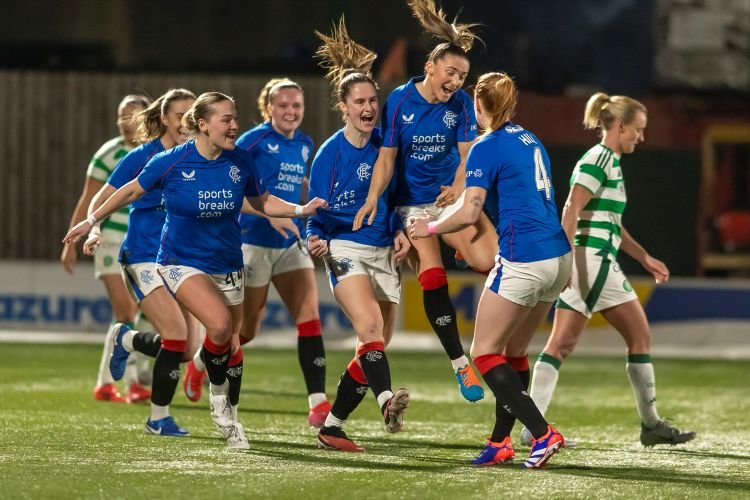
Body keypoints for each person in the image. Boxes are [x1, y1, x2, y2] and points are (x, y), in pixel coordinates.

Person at [63, 91, 327, 449]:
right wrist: (91, 222)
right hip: (177, 262)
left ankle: (222, 404)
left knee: (228, 341)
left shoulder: (241, 161)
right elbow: (127, 190)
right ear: (202, 125)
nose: (234, 125)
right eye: (226, 119)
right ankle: (209, 407)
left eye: (235, 118)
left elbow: (259, 201)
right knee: (214, 327)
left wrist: (299, 210)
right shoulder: (167, 161)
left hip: (228, 263)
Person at [411, 71, 571, 468]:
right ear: (511, 105)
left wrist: (428, 226)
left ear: (478, 107)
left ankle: (543, 434)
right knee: (514, 352)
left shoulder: (486, 145)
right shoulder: (529, 138)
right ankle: (500, 442)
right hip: (559, 259)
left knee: (484, 353)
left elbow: (470, 211)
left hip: (525, 258)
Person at [521, 92, 697, 447]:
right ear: (619, 126)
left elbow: (608, 221)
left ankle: (532, 429)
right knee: (639, 338)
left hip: (591, 257)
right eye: (638, 130)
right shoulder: (599, 159)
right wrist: (566, 258)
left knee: (560, 345)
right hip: (593, 260)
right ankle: (650, 425)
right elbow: (570, 208)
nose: (640, 137)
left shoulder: (608, 161)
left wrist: (643, 257)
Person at [354, 0, 500, 403]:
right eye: (450, 72)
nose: (456, 80)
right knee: (431, 277)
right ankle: (460, 364)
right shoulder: (400, 101)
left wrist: (456, 186)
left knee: (490, 262)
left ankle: (458, 250)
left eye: (463, 75)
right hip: (413, 206)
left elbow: (469, 155)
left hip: (450, 200)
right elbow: (385, 159)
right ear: (431, 67)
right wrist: (373, 199)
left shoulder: (461, 105)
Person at [183, 78, 331, 428]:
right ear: (268, 108)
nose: (290, 111)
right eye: (283, 105)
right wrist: (270, 215)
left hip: (289, 246)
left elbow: (293, 185)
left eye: (296, 105)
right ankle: (199, 363)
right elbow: (235, 191)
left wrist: (310, 200)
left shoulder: (306, 143)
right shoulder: (251, 141)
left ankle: (318, 403)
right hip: (253, 245)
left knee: (309, 319)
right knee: (244, 332)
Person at [309, 18, 411, 452]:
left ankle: (332, 427)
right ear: (343, 106)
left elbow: (398, 199)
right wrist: (315, 237)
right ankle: (387, 399)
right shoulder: (329, 153)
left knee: (374, 346)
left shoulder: (386, 148)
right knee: (369, 325)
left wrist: (402, 229)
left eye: (373, 100)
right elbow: (315, 210)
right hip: (344, 247)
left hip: (383, 250)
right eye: (360, 102)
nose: (368, 107)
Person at [84, 89, 199, 436]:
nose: (185, 122)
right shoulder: (142, 155)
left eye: (191, 114)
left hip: (178, 259)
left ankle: (127, 339)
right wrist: (92, 226)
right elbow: (102, 197)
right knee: (177, 336)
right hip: (142, 255)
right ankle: (158, 418)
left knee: (187, 349)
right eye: (180, 114)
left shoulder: (197, 156)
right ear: (164, 118)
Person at [61, 93, 152, 404]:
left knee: (132, 314)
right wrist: (71, 242)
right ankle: (135, 383)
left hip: (143, 243)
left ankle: (105, 383)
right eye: (121, 117)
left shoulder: (157, 152)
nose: (126, 123)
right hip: (109, 240)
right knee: (128, 311)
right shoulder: (109, 153)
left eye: (133, 116)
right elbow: (89, 200)